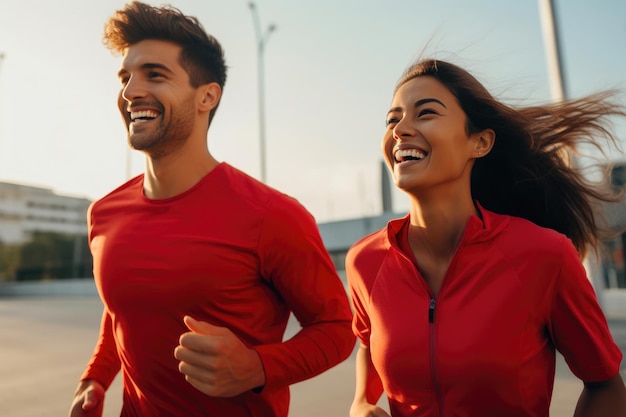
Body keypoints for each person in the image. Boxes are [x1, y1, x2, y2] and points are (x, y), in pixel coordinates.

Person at [68, 2, 355, 416]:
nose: (130, 91)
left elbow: (336, 329)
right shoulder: (104, 213)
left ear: (206, 96)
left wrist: (257, 367)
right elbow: (123, 312)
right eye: (125, 77)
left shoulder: (273, 215)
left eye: (155, 74)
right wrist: (94, 378)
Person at [346, 58, 626, 416]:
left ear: (479, 143)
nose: (400, 129)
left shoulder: (544, 255)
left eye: (425, 113)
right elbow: (369, 342)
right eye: (392, 119)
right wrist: (360, 404)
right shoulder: (365, 261)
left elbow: (605, 385)